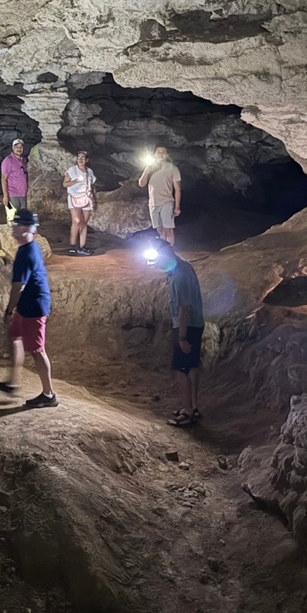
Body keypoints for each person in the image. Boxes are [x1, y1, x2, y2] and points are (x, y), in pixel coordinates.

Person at [0, 209, 57, 409]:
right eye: (14, 224)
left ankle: (49, 394)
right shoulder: (29, 248)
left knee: (37, 350)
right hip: (27, 303)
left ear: (28, 228)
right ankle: (13, 382)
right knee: (15, 336)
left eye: (18, 225)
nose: (14, 228)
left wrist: (9, 309)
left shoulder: (26, 253)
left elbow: (19, 286)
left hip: (34, 306)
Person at [145, 239, 204, 427]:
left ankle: (187, 411)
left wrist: (182, 337)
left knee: (179, 370)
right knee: (192, 365)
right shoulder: (185, 267)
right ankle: (194, 407)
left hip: (186, 326)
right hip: (197, 323)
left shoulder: (179, 276)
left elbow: (184, 308)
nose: (158, 267)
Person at [138, 146, 182, 245]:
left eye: (163, 152)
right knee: (160, 230)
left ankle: (170, 250)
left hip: (166, 201)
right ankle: (163, 250)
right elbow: (141, 184)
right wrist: (147, 171)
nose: (161, 154)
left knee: (168, 229)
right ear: (154, 154)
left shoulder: (173, 169)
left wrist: (177, 207)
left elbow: (178, 189)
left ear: (167, 155)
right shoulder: (150, 168)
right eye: (158, 152)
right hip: (153, 203)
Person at [63, 150, 97, 256]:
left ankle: (82, 247)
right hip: (74, 197)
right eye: (79, 158)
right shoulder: (72, 170)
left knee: (84, 223)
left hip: (86, 198)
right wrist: (75, 181)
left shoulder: (90, 172)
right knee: (77, 221)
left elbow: (93, 186)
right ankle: (72, 245)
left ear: (87, 160)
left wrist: (95, 199)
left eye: (83, 158)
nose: (80, 160)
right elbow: (65, 184)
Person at [1, 138, 28, 220]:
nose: (19, 149)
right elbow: (4, 179)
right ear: (13, 148)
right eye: (16, 147)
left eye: (21, 147)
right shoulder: (8, 161)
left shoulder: (23, 160)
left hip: (23, 194)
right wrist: (5, 196)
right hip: (12, 195)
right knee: (12, 215)